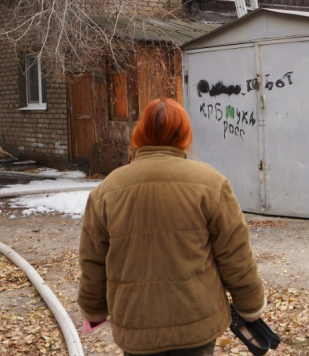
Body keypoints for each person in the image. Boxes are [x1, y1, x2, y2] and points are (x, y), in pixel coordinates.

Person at [78, 98, 267, 356]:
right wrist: (250, 306)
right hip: (197, 325)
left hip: (136, 326)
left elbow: (93, 261)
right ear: (185, 135)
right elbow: (235, 255)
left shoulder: (107, 190)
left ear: (140, 133)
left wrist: (93, 308)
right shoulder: (211, 183)